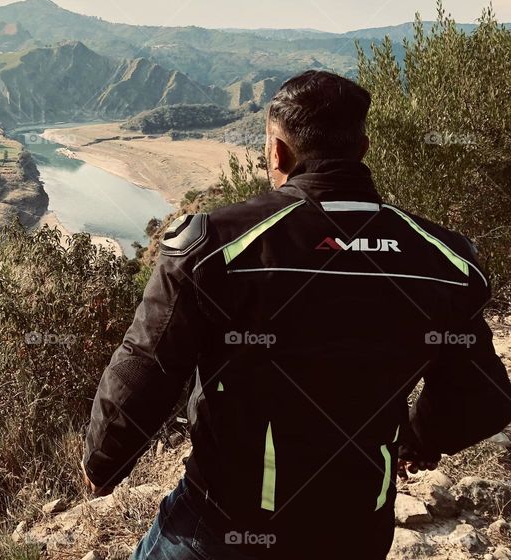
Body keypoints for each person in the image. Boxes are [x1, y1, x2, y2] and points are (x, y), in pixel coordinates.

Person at [82, 70, 511, 560]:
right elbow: (484, 397)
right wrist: (417, 439)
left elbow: (147, 365)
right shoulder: (444, 260)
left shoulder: (215, 246)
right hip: (358, 527)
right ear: (363, 148)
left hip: (225, 528)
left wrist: (102, 463)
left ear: (277, 153)